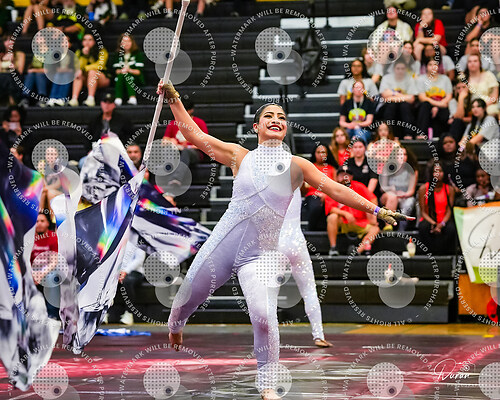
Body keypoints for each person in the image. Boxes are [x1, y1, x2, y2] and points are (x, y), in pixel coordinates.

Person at [157, 80, 409, 400]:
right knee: (183, 300)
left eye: (281, 117)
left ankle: (267, 384)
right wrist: (174, 99)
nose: (276, 119)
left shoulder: (297, 166)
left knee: (264, 317)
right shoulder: (239, 156)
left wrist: (376, 209)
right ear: (256, 126)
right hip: (223, 244)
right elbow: (194, 135)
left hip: (260, 256)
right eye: (269, 116)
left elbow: (336, 190)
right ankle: (176, 324)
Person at [279, 189, 333, 348]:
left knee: (269, 292)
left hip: (277, 242)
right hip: (297, 242)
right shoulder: (296, 180)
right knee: (309, 290)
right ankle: (319, 335)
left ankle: (267, 337)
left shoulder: (265, 184)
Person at [325, 168, 379, 256]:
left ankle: (357, 251)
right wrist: (345, 214)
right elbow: (331, 209)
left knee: (375, 229)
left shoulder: (359, 187)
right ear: (337, 177)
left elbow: (373, 199)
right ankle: (333, 247)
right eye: (341, 175)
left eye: (347, 175)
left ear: (351, 177)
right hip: (343, 221)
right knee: (332, 217)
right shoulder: (333, 188)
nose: (344, 177)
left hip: (360, 222)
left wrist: (372, 216)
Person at [161, 98, 208, 200]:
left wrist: (188, 146)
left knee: (186, 152)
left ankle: (175, 180)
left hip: (194, 153)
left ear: (190, 111)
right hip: (179, 152)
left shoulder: (199, 123)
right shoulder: (173, 123)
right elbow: (164, 141)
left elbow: (206, 143)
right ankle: (166, 183)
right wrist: (171, 141)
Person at [418, 162, 456, 255]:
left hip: (444, 220)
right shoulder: (423, 189)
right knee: (423, 227)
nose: (438, 174)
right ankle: (431, 254)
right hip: (429, 219)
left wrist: (441, 224)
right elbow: (423, 212)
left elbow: (449, 211)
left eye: (440, 171)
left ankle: (442, 254)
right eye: (435, 171)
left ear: (444, 173)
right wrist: (434, 224)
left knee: (451, 228)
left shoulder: (449, 189)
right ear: (431, 173)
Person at [379, 146, 418, 231]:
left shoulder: (412, 170)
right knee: (392, 197)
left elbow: (411, 191)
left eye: (404, 154)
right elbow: (382, 188)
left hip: (404, 196)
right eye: (399, 154)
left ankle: (401, 229)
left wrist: (402, 194)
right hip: (388, 196)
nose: (402, 157)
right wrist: (391, 189)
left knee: (409, 203)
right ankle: (388, 225)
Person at [379, 59, 417, 139]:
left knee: (404, 106)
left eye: (402, 68)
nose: (400, 71)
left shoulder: (410, 79)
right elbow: (384, 97)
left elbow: (411, 99)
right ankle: (390, 134)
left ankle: (408, 134)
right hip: (388, 106)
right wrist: (404, 96)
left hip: (405, 106)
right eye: (398, 68)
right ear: (394, 69)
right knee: (392, 105)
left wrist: (392, 94)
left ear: (406, 69)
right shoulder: (386, 78)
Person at [69, 33, 110, 107]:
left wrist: (84, 69)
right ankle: (74, 99)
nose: (87, 42)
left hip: (101, 77)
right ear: (82, 42)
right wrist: (85, 55)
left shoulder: (102, 51)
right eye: (85, 40)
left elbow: (99, 65)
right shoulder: (79, 52)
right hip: (86, 78)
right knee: (78, 73)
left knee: (92, 72)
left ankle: (91, 99)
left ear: (94, 42)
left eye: (90, 40)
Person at [301, 144, 336, 231]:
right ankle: (311, 230)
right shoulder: (309, 167)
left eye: (323, 152)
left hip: (329, 197)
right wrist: (301, 184)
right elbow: (303, 191)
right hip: (312, 195)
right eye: (318, 152)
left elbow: (336, 187)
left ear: (327, 154)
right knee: (316, 205)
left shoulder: (332, 169)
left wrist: (326, 195)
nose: (321, 155)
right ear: (314, 154)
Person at [416, 59, 453, 137]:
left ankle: (441, 137)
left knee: (444, 112)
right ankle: (421, 134)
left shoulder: (445, 79)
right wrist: (437, 105)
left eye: (435, 64)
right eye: (430, 64)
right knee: (425, 106)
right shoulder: (421, 79)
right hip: (429, 105)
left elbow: (449, 97)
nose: (433, 67)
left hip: (442, 105)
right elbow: (422, 98)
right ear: (426, 67)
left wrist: (438, 106)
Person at [111, 34, 144, 106]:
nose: (126, 43)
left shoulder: (137, 54)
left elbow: (139, 72)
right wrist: (122, 71)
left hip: (135, 78)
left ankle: (130, 98)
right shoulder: (117, 55)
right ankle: (119, 99)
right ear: (120, 44)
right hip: (121, 78)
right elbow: (115, 71)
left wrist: (128, 70)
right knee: (121, 75)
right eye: (124, 41)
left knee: (126, 75)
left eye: (128, 41)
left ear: (132, 42)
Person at [0, 34, 25, 105]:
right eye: (6, 40)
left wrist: (13, 61)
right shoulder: (1, 55)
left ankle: (12, 101)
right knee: (5, 77)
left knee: (9, 77)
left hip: (15, 76)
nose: (8, 42)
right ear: (3, 43)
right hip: (2, 78)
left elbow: (20, 71)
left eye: (10, 40)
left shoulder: (20, 54)